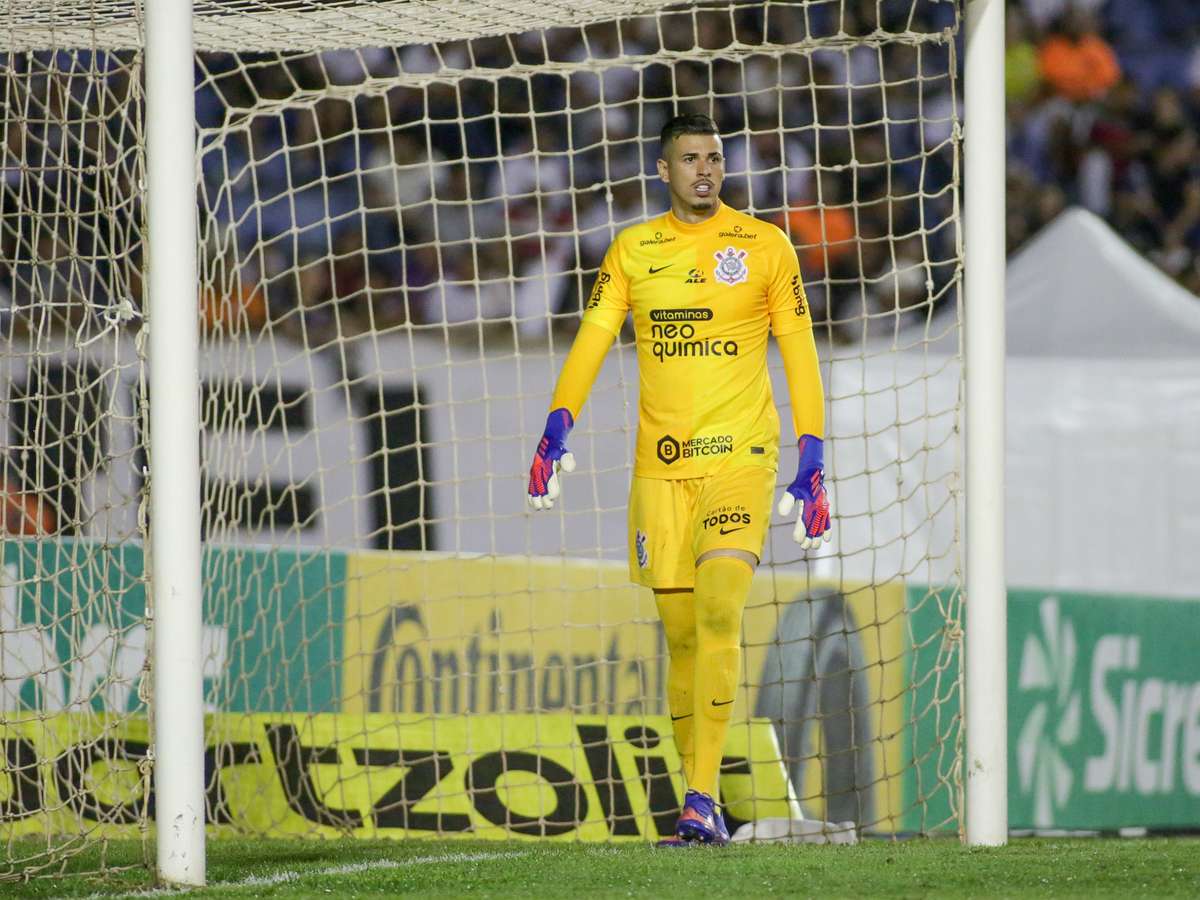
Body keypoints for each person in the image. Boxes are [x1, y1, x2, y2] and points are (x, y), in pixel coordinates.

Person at [525, 113, 832, 845]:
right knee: (684, 638)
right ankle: (706, 802)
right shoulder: (634, 250)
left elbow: (799, 348)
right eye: (690, 158)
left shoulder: (764, 247)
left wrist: (812, 457)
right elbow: (593, 338)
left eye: (715, 158)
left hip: (740, 459)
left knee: (723, 610)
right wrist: (556, 423)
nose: (705, 169)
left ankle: (698, 800)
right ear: (664, 171)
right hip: (659, 471)